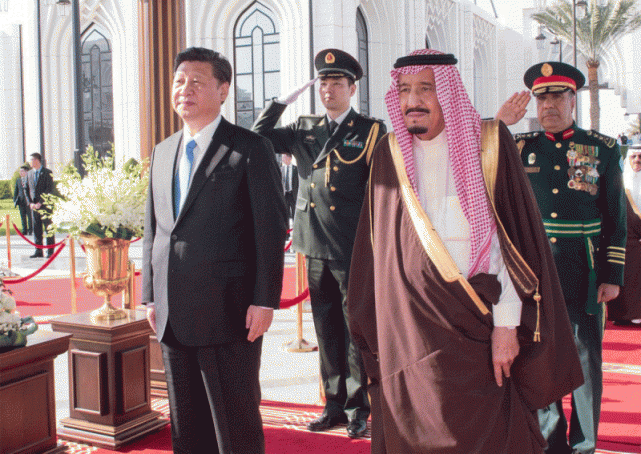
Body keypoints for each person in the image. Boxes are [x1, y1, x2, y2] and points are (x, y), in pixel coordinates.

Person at [347, 49, 583, 453]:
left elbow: (509, 244)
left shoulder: (489, 144)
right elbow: (378, 250)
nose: (411, 101)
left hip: (478, 324)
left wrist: (507, 325)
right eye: (404, 90)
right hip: (408, 329)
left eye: (425, 89)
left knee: (487, 432)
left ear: (449, 94)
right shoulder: (388, 153)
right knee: (412, 426)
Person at [142, 47, 287, 454]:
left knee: (233, 424)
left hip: (229, 311)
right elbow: (153, 230)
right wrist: (149, 294)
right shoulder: (163, 151)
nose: (184, 89)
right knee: (186, 426)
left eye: (197, 81)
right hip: (171, 312)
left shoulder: (250, 148)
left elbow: (270, 230)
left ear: (223, 90)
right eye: (178, 81)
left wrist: (264, 300)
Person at [252, 48, 386, 438]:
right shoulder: (305, 127)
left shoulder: (371, 131)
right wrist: (281, 102)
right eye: (323, 82)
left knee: (354, 329)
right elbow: (258, 136)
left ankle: (359, 407)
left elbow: (381, 189)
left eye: (336, 82)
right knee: (326, 328)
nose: (328, 89)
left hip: (351, 246)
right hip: (313, 244)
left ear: (352, 88)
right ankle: (333, 405)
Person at [499, 61, 626, 454]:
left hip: (584, 269)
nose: (548, 105)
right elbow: (472, 155)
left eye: (557, 95)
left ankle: (585, 443)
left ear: (573, 99)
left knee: (587, 360)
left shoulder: (602, 149)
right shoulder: (519, 148)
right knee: (540, 356)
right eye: (541, 97)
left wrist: (612, 273)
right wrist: (500, 124)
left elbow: (615, 216)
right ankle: (549, 440)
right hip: (535, 271)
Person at [608, 143, 641, 325]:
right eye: (633, 157)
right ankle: (624, 316)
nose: (637, 161)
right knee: (628, 278)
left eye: (640, 158)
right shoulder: (621, 184)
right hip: (627, 242)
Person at [26, 153, 55, 258]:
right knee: (37, 229)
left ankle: (50, 252)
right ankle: (38, 251)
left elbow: (49, 190)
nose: (30, 162)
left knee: (48, 229)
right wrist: (30, 203)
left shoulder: (47, 173)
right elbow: (27, 189)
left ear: (37, 160)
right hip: (34, 207)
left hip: (45, 206)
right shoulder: (29, 173)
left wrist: (40, 202)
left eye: (32, 159)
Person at [13, 165, 32, 235]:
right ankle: (24, 230)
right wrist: (15, 199)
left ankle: (30, 230)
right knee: (22, 216)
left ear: (26, 172)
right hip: (21, 201)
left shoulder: (30, 179)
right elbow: (16, 191)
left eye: (22, 171)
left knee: (30, 217)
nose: (20, 173)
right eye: (20, 171)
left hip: (28, 201)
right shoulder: (18, 180)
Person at [281, 153, 298, 227]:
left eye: (284, 157)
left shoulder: (296, 169)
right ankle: (287, 232)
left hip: (293, 194)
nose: (282, 159)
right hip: (285, 195)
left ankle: (296, 230)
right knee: (286, 214)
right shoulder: (281, 169)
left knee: (295, 213)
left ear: (290, 158)